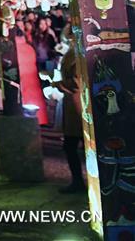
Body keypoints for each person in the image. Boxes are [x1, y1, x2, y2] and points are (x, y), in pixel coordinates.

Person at [56, 41, 86, 193]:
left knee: (72, 145)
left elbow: (76, 82)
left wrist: (58, 84)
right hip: (75, 104)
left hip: (78, 106)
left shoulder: (77, 55)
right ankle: (78, 180)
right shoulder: (74, 53)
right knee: (73, 145)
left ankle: (79, 181)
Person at [13, 26, 49, 125]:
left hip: (22, 79)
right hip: (33, 78)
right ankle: (40, 118)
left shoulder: (15, 50)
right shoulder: (29, 47)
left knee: (26, 101)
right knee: (36, 100)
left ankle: (27, 121)